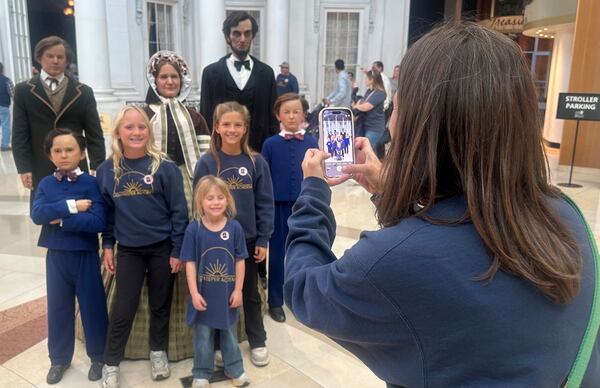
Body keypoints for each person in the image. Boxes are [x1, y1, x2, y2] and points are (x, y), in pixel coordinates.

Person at [284, 21, 600, 387]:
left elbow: (305, 289)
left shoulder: (397, 262)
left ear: (426, 125)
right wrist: (390, 190)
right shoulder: (565, 213)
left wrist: (313, 191)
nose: (390, 125)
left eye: (398, 108)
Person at [101, 50, 209, 362]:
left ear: (182, 79)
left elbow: (202, 158)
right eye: (163, 76)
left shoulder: (195, 115)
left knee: (187, 242)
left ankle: (178, 341)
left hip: (187, 183)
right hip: (150, 185)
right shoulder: (143, 114)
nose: (170, 81)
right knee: (131, 290)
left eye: (174, 76)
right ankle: (128, 348)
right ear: (154, 80)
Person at [97, 106, 188, 388]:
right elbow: (108, 214)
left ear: (149, 132)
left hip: (162, 248)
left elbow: (179, 212)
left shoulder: (165, 167)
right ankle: (110, 362)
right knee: (124, 305)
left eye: (142, 127)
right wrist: (109, 246)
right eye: (129, 127)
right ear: (118, 133)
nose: (136, 132)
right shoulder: (106, 170)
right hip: (130, 251)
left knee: (160, 303)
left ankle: (157, 351)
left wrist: (177, 249)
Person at [193, 101, 274, 367]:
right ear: (216, 127)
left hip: (247, 239)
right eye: (226, 124)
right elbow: (196, 202)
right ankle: (217, 345)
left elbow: (264, 202)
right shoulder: (207, 162)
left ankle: (257, 339)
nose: (231, 129)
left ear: (245, 128)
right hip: (212, 241)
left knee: (250, 292)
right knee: (216, 291)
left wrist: (263, 238)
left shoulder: (255, 161)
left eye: (237, 124)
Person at [30, 128, 108, 385]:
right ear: (50, 155)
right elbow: (38, 215)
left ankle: (99, 356)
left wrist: (60, 220)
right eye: (57, 151)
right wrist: (73, 207)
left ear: (82, 152)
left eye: (70, 149)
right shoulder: (46, 184)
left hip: (84, 253)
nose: (64, 155)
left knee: (93, 305)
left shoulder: (91, 183)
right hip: (56, 255)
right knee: (59, 307)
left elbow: (97, 220)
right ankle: (59, 359)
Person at [12, 36, 105, 202]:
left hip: (75, 163)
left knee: (79, 208)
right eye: (50, 56)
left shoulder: (83, 92)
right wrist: (23, 167)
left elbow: (94, 133)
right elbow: (20, 133)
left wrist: (97, 165)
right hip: (40, 164)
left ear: (67, 60)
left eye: (60, 57)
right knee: (46, 212)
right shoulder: (23, 91)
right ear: (40, 57)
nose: (55, 61)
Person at [181, 176, 250, 388]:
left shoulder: (235, 228)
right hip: (203, 297)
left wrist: (238, 290)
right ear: (200, 202)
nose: (216, 202)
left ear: (227, 200)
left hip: (227, 296)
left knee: (229, 334)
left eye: (220, 197)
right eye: (210, 198)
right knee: (202, 336)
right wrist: (194, 293)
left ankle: (235, 368)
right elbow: (190, 263)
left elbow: (240, 261)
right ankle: (202, 372)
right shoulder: (194, 230)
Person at [261, 93, 318, 323]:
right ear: (278, 115)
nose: (292, 116)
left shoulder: (312, 142)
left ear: (304, 114)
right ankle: (275, 301)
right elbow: (263, 178)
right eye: (286, 111)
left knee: (306, 252)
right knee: (277, 256)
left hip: (304, 205)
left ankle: (302, 297)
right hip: (277, 207)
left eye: (296, 111)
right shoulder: (271, 144)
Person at [200, 11, 278, 152]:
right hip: (221, 155)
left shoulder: (267, 73)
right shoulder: (210, 73)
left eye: (247, 33)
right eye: (236, 33)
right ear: (227, 37)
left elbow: (273, 120)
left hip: (259, 154)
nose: (242, 39)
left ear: (252, 36)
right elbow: (206, 117)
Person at [352, 71, 386, 146]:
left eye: (366, 78)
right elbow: (361, 102)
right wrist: (358, 105)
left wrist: (356, 106)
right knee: (367, 150)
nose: (365, 80)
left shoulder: (380, 93)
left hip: (374, 128)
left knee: (366, 151)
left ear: (372, 80)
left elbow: (366, 107)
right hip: (367, 125)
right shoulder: (369, 91)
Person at [0, 62, 14, 151]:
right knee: (5, 125)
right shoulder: (6, 80)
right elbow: (13, 94)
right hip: (3, 106)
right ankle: (4, 145)